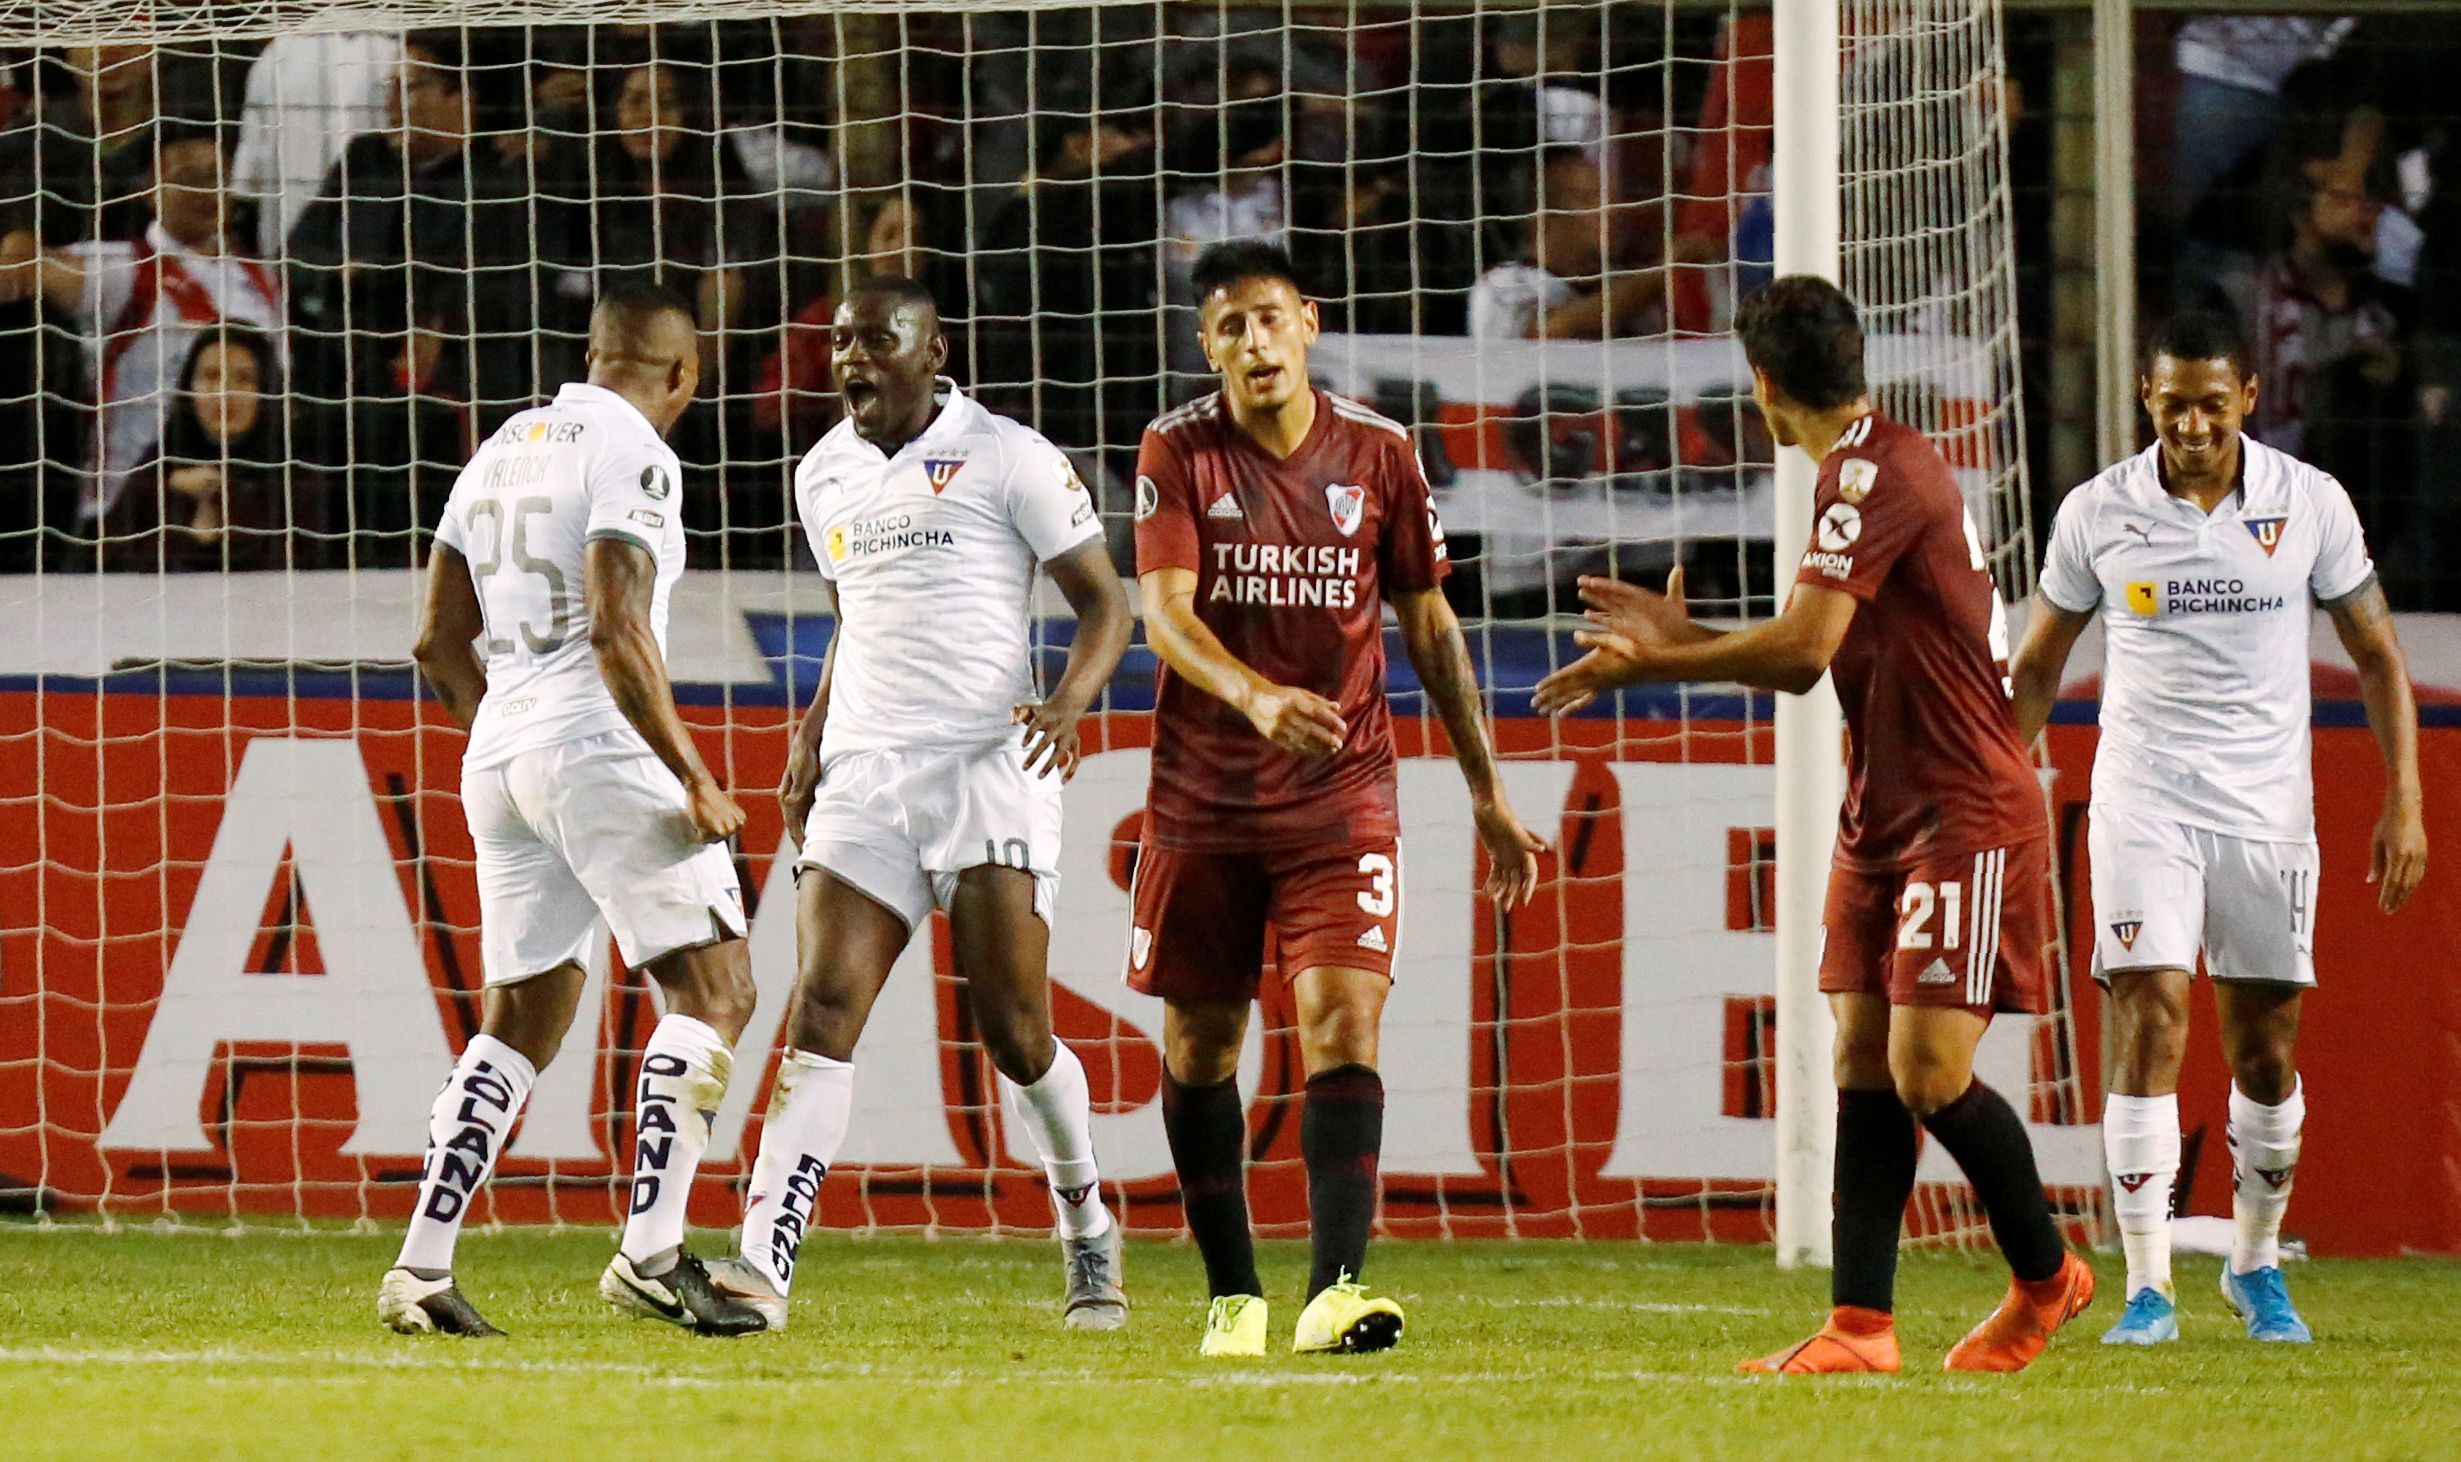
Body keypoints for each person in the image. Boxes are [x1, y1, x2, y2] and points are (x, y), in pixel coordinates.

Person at [1535, 275, 2093, 1375]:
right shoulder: (1878, 460)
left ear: (1761, 385)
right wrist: (1683, 631)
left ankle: (2047, 1277)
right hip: (1883, 806)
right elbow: (1823, 638)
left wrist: (1663, 656)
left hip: (1963, 811)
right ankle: (1860, 1325)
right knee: (1862, 1056)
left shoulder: (1865, 476)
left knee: (1929, 1069)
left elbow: (1796, 657)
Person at [1132, 240, 1547, 1358]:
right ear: (1207, 344)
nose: (1253, 343)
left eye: (1268, 319)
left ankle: (1336, 1289)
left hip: (1343, 796)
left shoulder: (1381, 453)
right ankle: (1232, 1294)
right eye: (1228, 327)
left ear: (1307, 323)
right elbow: (1164, 617)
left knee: (1341, 1016)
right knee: (1202, 1042)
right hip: (1205, 799)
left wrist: (1487, 791)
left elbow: (1428, 623)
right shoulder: (1176, 452)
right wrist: (1256, 695)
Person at [704, 276, 1135, 1333]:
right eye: (840, 342)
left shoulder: (1010, 456)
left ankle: (1085, 1219)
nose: (851, 358)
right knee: (822, 1006)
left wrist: (1072, 704)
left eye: (876, 341)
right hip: (864, 771)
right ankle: (762, 1267)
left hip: (990, 765)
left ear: (933, 348)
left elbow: (1105, 602)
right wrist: (810, 735)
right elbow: (857, 615)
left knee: (1014, 1031)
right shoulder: (822, 473)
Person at [2008, 308, 2426, 1347]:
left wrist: (2402, 797)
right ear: (2143, 400)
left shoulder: (2308, 502)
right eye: (2169, 402)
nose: (2189, 422)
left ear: (2247, 395)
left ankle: (2253, 1261)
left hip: (2266, 808)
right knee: (2148, 1012)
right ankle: (2147, 1284)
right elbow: (2038, 662)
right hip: (2142, 799)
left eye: (2209, 401)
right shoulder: (2097, 513)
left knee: (2264, 1050)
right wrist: (1994, 774)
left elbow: (2376, 653)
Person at [381, 281, 764, 1339]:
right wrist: (689, 772)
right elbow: (615, 622)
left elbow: (433, 642)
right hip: (595, 740)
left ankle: (420, 1265)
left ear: (591, 353)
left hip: (500, 748)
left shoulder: (500, 446)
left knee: (524, 1016)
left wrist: (509, 736)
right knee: (716, 984)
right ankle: (650, 1253)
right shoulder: (635, 450)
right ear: (682, 372)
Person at [0, 121, 280, 520]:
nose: (205, 190)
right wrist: (19, 244)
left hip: (242, 503)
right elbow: (28, 269)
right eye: (187, 177)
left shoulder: (262, 279)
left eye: (215, 176)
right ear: (151, 188)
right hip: (129, 509)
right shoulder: (125, 270)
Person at [101, 325, 293, 571]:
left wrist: (225, 498)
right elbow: (113, 556)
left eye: (244, 379)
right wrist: (176, 503)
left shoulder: (293, 466)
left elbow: (302, 560)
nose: (224, 393)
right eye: (211, 376)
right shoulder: (161, 464)